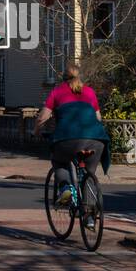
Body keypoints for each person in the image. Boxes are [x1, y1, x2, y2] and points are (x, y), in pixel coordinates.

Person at [33, 61, 110, 207]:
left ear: (64, 77)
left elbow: (43, 116)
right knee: (89, 173)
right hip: (96, 139)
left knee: (59, 161)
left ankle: (66, 188)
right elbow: (98, 117)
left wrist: (36, 131)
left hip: (67, 139)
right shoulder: (89, 91)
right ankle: (90, 216)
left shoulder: (57, 91)